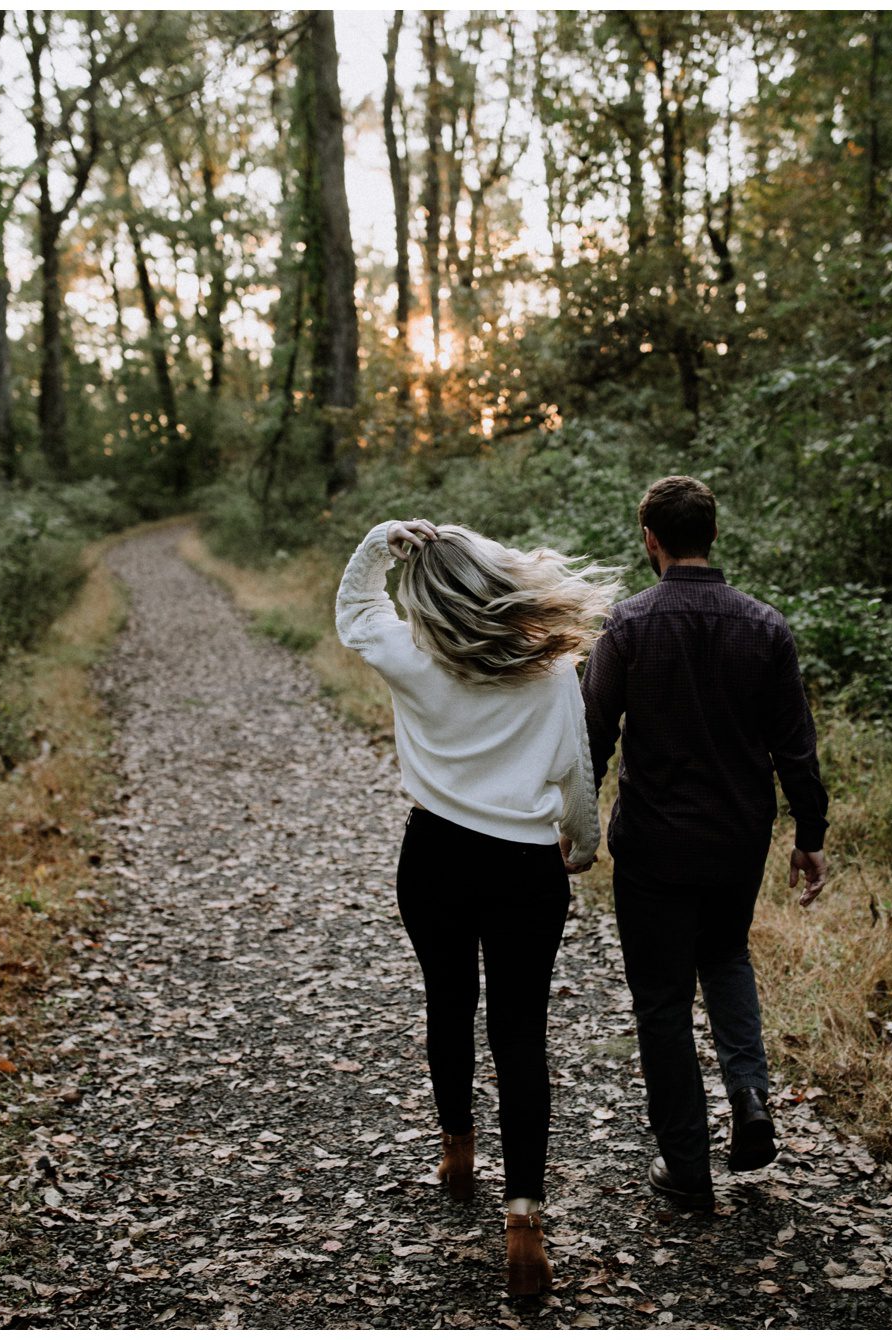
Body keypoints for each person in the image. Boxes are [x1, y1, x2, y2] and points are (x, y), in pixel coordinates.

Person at [335, 517, 619, 1296]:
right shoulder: (551, 665)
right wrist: (583, 843)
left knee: (448, 1003)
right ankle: (523, 1220)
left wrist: (380, 542)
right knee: (521, 1029)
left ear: (426, 597)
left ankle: (457, 1152)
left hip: (433, 857)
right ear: (494, 583)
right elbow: (574, 766)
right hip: (526, 866)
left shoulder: (411, 658)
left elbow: (356, 612)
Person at [582, 475, 832, 1212]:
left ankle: (687, 1168)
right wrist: (809, 836)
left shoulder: (627, 626)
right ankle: (750, 1099)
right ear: (714, 535)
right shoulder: (765, 627)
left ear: (650, 541)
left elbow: (591, 740)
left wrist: (575, 828)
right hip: (736, 841)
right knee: (726, 957)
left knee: (660, 998)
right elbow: (797, 750)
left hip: (655, 845)